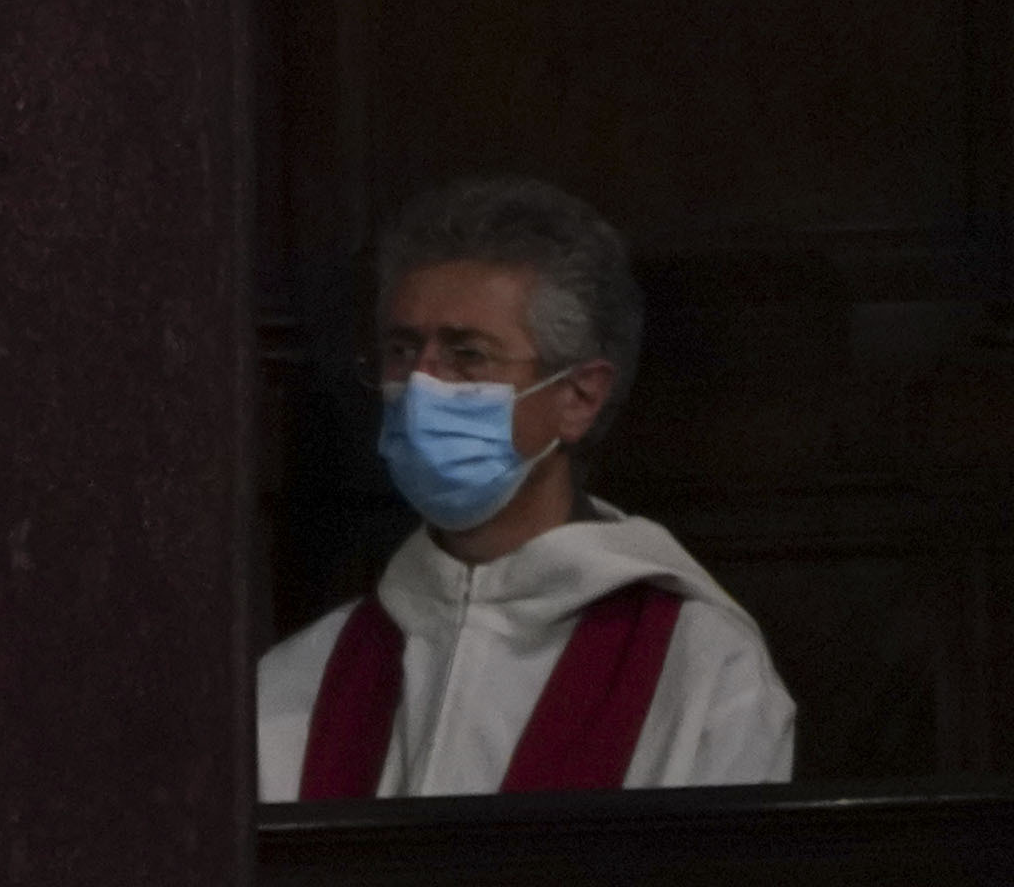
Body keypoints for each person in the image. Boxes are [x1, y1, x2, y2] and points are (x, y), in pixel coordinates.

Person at [259, 177, 793, 800]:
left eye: (468, 354)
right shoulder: (302, 680)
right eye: (403, 349)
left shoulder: (699, 670)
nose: (422, 386)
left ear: (578, 396)